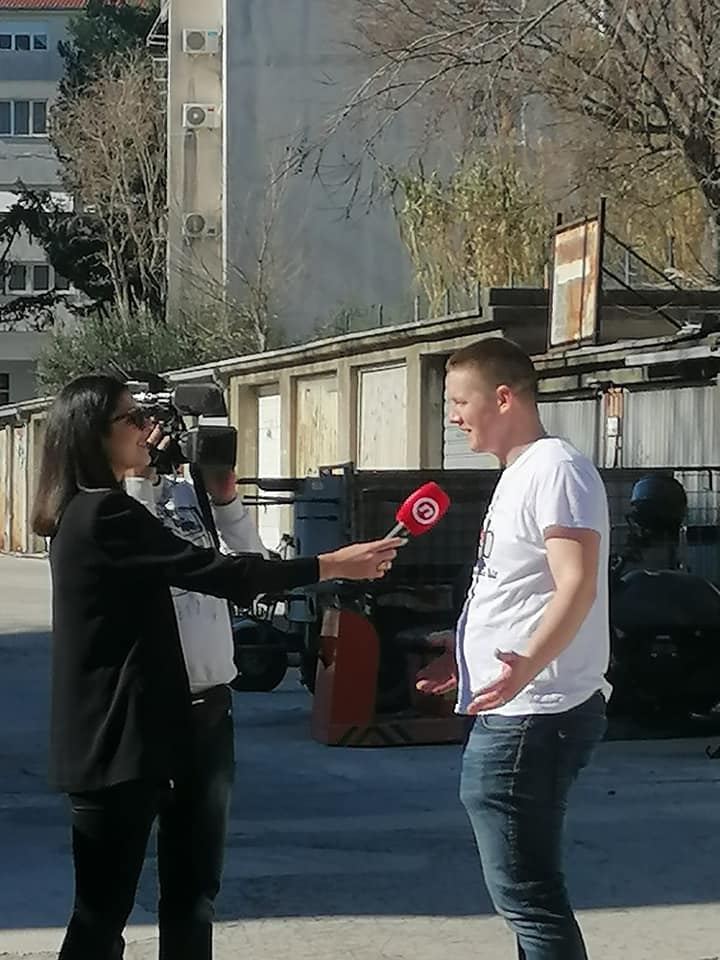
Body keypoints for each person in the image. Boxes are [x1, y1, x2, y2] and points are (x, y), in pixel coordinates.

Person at [30, 374, 402, 960]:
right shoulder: (105, 514)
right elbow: (217, 573)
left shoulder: (101, 510)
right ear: (93, 434)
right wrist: (329, 564)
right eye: (132, 419)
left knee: (184, 896)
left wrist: (219, 496)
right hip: (120, 739)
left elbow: (232, 565)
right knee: (101, 915)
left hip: (180, 724)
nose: (148, 430)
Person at [417, 338, 610, 960]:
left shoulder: (556, 469)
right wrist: (466, 653)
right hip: (519, 706)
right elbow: (521, 588)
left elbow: (576, 583)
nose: (453, 417)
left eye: (459, 402)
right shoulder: (521, 473)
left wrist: (525, 664)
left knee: (528, 898)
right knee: (526, 898)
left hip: (538, 711)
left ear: (503, 398)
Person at [123, 447, 268, 960]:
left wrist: (226, 501)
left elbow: (254, 574)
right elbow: (134, 567)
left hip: (209, 709)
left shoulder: (195, 498)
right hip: (141, 712)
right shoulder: (104, 503)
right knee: (112, 886)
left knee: (197, 881)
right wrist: (137, 482)